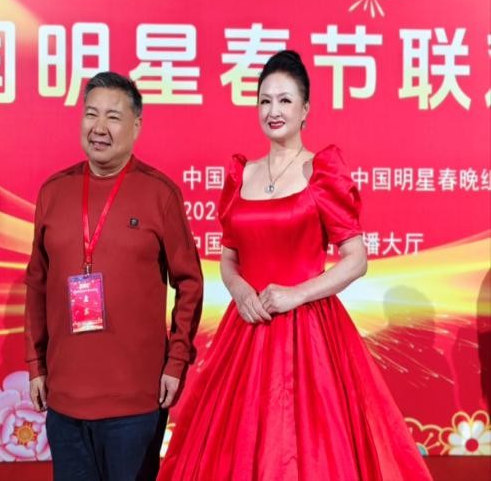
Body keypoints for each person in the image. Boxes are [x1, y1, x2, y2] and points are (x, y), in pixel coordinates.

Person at [158, 51, 432, 480]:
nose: (274, 111)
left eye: (285, 101)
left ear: (305, 109)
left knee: (310, 449)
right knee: (237, 446)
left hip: (310, 334)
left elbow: (356, 259)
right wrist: (240, 290)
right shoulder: (242, 175)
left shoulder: (320, 172)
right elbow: (229, 257)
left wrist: (296, 294)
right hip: (247, 329)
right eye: (265, 101)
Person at [24, 71, 203, 481]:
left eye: (113, 116)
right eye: (91, 114)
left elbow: (190, 283)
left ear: (136, 126)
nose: (99, 127)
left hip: (136, 404)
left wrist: (176, 361)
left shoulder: (160, 194)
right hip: (65, 402)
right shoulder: (54, 192)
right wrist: (35, 364)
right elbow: (36, 283)